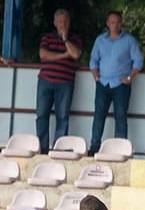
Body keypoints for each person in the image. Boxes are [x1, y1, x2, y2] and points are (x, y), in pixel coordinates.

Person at [88, 10, 143, 155]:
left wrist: (129, 78)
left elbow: (138, 61)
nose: (115, 25)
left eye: (118, 22)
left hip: (121, 85)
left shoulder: (129, 40)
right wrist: (96, 77)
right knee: (99, 116)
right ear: (107, 24)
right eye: (112, 22)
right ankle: (94, 147)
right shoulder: (100, 40)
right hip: (103, 83)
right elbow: (93, 60)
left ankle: (121, 150)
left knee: (120, 116)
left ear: (121, 23)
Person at [36, 8, 82, 155]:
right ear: (55, 23)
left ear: (69, 22)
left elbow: (75, 54)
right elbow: (43, 54)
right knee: (42, 115)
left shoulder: (75, 39)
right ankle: (42, 150)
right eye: (60, 21)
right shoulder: (47, 37)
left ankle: (59, 150)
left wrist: (65, 39)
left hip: (65, 82)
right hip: (46, 81)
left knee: (62, 117)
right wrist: (63, 55)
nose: (62, 24)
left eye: (65, 21)